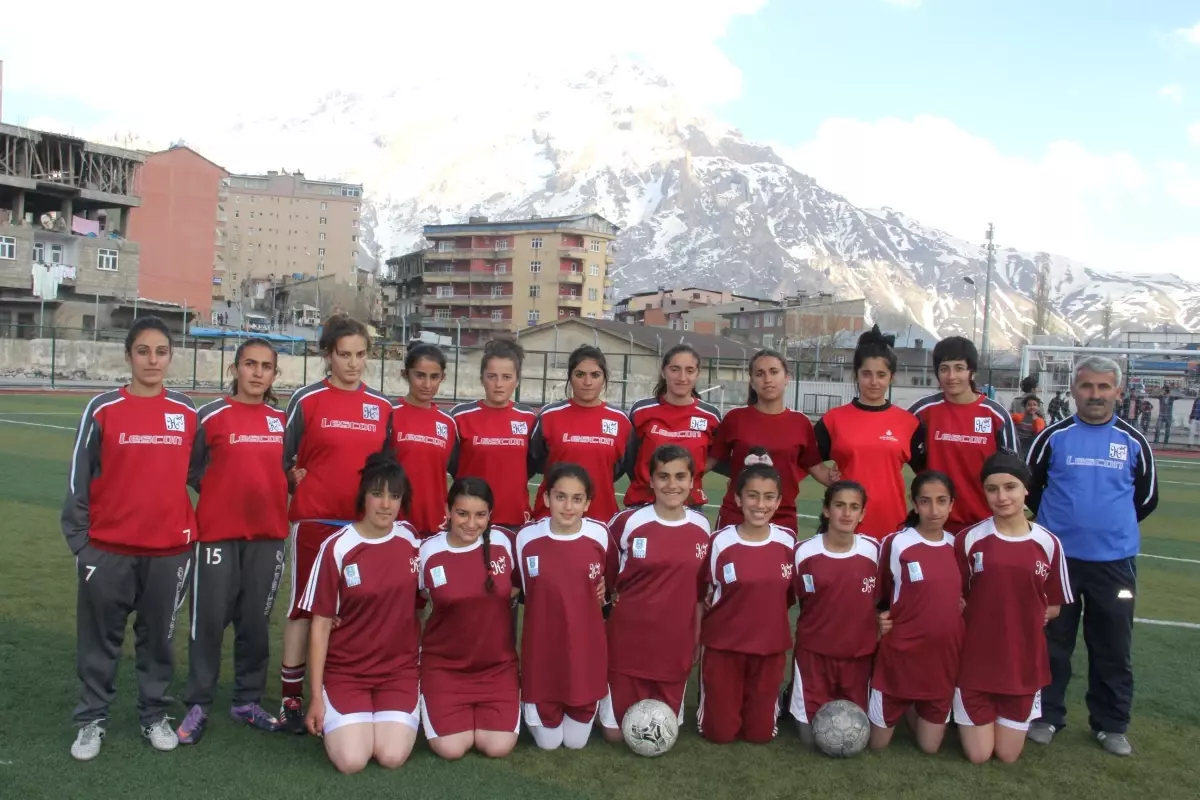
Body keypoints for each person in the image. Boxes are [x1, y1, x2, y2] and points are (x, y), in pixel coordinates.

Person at [62, 316, 198, 761]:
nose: (152, 360)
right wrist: (82, 544)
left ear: (170, 356)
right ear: (128, 356)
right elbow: (78, 480)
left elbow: (202, 473)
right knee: (99, 640)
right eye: (143, 351)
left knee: (157, 640)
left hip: (169, 552)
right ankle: (91, 720)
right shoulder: (102, 409)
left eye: (161, 351)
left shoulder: (186, 412)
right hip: (107, 551)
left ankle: (154, 715)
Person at [1025, 355, 1159, 757]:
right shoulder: (1054, 437)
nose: (1095, 395)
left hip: (1115, 564)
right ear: (1073, 390)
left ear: (1118, 392)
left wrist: (1107, 525)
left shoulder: (1134, 442)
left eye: (1104, 387)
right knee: (1052, 643)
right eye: (1087, 386)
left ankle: (1111, 725)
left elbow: (1146, 499)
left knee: (1113, 646)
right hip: (1058, 563)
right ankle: (1046, 716)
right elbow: (1029, 488)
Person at [279, 315, 392, 733]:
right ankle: (291, 699)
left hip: (359, 528)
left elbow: (386, 470)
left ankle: (340, 693)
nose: (353, 363)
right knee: (305, 609)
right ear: (328, 354)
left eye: (361, 354)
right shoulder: (306, 400)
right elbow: (282, 458)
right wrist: (291, 477)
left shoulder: (381, 406)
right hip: (314, 521)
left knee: (352, 612)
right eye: (344, 354)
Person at [177, 338, 289, 744]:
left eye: (266, 367)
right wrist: (219, 491)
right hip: (217, 536)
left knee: (255, 623)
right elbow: (189, 469)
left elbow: (291, 470)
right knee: (207, 623)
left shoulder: (282, 420)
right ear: (234, 369)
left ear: (275, 374)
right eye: (250, 364)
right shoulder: (211, 417)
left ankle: (247, 700)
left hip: (269, 536)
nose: (258, 373)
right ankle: (198, 702)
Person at [300, 453, 422, 774]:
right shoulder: (337, 547)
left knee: (391, 756)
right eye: (377, 494)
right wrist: (315, 697)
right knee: (352, 760)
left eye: (394, 496)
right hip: (347, 672)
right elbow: (320, 626)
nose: (385, 505)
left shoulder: (411, 539)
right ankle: (338, 705)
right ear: (363, 497)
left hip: (398, 671)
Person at [953, 453, 1072, 765]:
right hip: (974, 663)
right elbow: (955, 599)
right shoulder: (969, 540)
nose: (1002, 496)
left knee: (1006, 755)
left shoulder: (1049, 543)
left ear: (1025, 490)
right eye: (992, 489)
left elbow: (1055, 606)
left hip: (1022, 664)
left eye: (1010, 487)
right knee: (979, 755)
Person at [600, 445, 712, 741]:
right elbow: (604, 572)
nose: (671, 485)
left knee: (664, 731)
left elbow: (700, 592)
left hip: (674, 642)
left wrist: (697, 636)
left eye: (680, 477)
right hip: (628, 640)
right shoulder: (627, 523)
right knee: (614, 735)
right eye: (663, 477)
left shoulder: (702, 527)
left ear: (692, 481)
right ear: (651, 480)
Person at [418, 478, 520, 760]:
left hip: (497, 667)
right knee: (450, 749)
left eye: (480, 515)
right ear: (448, 511)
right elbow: (409, 605)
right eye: (462, 514)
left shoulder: (505, 542)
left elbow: (531, 581)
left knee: (497, 747)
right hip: (444, 667)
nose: (471, 523)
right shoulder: (427, 551)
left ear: (490, 515)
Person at [698, 451, 796, 744]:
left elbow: (788, 596)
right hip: (724, 649)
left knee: (759, 735)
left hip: (768, 648)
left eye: (769, 497)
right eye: (752, 496)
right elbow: (705, 593)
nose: (760, 504)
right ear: (738, 499)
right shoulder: (719, 542)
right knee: (720, 734)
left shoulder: (788, 542)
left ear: (778, 502)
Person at [515, 463, 609, 750]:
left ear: (588, 503)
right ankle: (528, 701)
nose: (568, 506)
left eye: (577, 499)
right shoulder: (525, 539)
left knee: (576, 742)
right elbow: (523, 592)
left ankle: (583, 695)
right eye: (560, 496)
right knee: (549, 743)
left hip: (583, 657)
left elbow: (608, 584)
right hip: (542, 658)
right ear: (546, 498)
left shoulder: (600, 536)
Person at [870, 471, 963, 754]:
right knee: (877, 745)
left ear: (951, 504)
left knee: (930, 748)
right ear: (914, 503)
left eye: (941, 501)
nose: (934, 510)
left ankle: (915, 705)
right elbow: (879, 594)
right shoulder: (896, 543)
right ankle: (900, 700)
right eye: (925, 501)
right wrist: (879, 617)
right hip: (900, 656)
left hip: (942, 660)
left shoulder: (959, 545)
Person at [788, 481, 880, 746]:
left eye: (854, 507)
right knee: (809, 739)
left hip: (858, 658)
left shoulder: (874, 551)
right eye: (839, 506)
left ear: (862, 514)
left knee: (857, 735)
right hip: (814, 657)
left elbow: (883, 599)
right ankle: (790, 697)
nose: (846, 514)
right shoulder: (803, 553)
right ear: (827, 510)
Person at [709, 349, 837, 534]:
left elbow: (816, 468)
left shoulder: (800, 423)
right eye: (760, 374)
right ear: (752, 382)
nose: (767, 379)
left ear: (787, 377)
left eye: (774, 372)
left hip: (782, 517)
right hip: (736, 516)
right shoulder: (735, 418)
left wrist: (848, 477)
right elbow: (709, 462)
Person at [814, 326, 922, 539]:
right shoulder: (834, 419)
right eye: (866, 374)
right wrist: (827, 477)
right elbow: (807, 456)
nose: (874, 382)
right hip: (845, 524)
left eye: (881, 375)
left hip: (892, 522)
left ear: (891, 377)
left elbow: (927, 472)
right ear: (856, 375)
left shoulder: (908, 422)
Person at [909, 336, 1018, 533]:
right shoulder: (923, 412)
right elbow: (895, 448)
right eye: (944, 369)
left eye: (959, 368)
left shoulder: (996, 415)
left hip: (986, 526)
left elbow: (1014, 472)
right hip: (935, 525)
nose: (951, 376)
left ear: (972, 372)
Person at [529, 346, 633, 524]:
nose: (587, 382)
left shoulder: (620, 420)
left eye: (595, 375)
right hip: (550, 518)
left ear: (604, 378)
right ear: (570, 377)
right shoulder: (549, 416)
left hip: (601, 519)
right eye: (580, 374)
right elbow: (534, 462)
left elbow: (621, 468)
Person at [448, 339, 538, 530]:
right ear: (482, 378)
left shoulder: (528, 418)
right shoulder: (460, 416)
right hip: (469, 521)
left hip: (514, 520)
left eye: (506, 377)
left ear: (517, 380)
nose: (498, 384)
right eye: (492, 376)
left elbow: (530, 464)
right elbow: (453, 465)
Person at [624, 345, 722, 509]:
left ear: (698, 374)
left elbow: (717, 454)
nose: (682, 377)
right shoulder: (641, 411)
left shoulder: (710, 416)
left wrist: (692, 471)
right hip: (643, 504)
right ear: (664, 372)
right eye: (675, 369)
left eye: (690, 370)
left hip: (690, 505)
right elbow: (629, 457)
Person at [388, 343, 458, 538]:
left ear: (442, 377)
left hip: (435, 525)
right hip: (393, 522)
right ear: (406, 374)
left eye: (434, 377)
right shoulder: (389, 413)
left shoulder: (448, 423)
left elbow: (456, 471)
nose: (427, 384)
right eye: (420, 375)